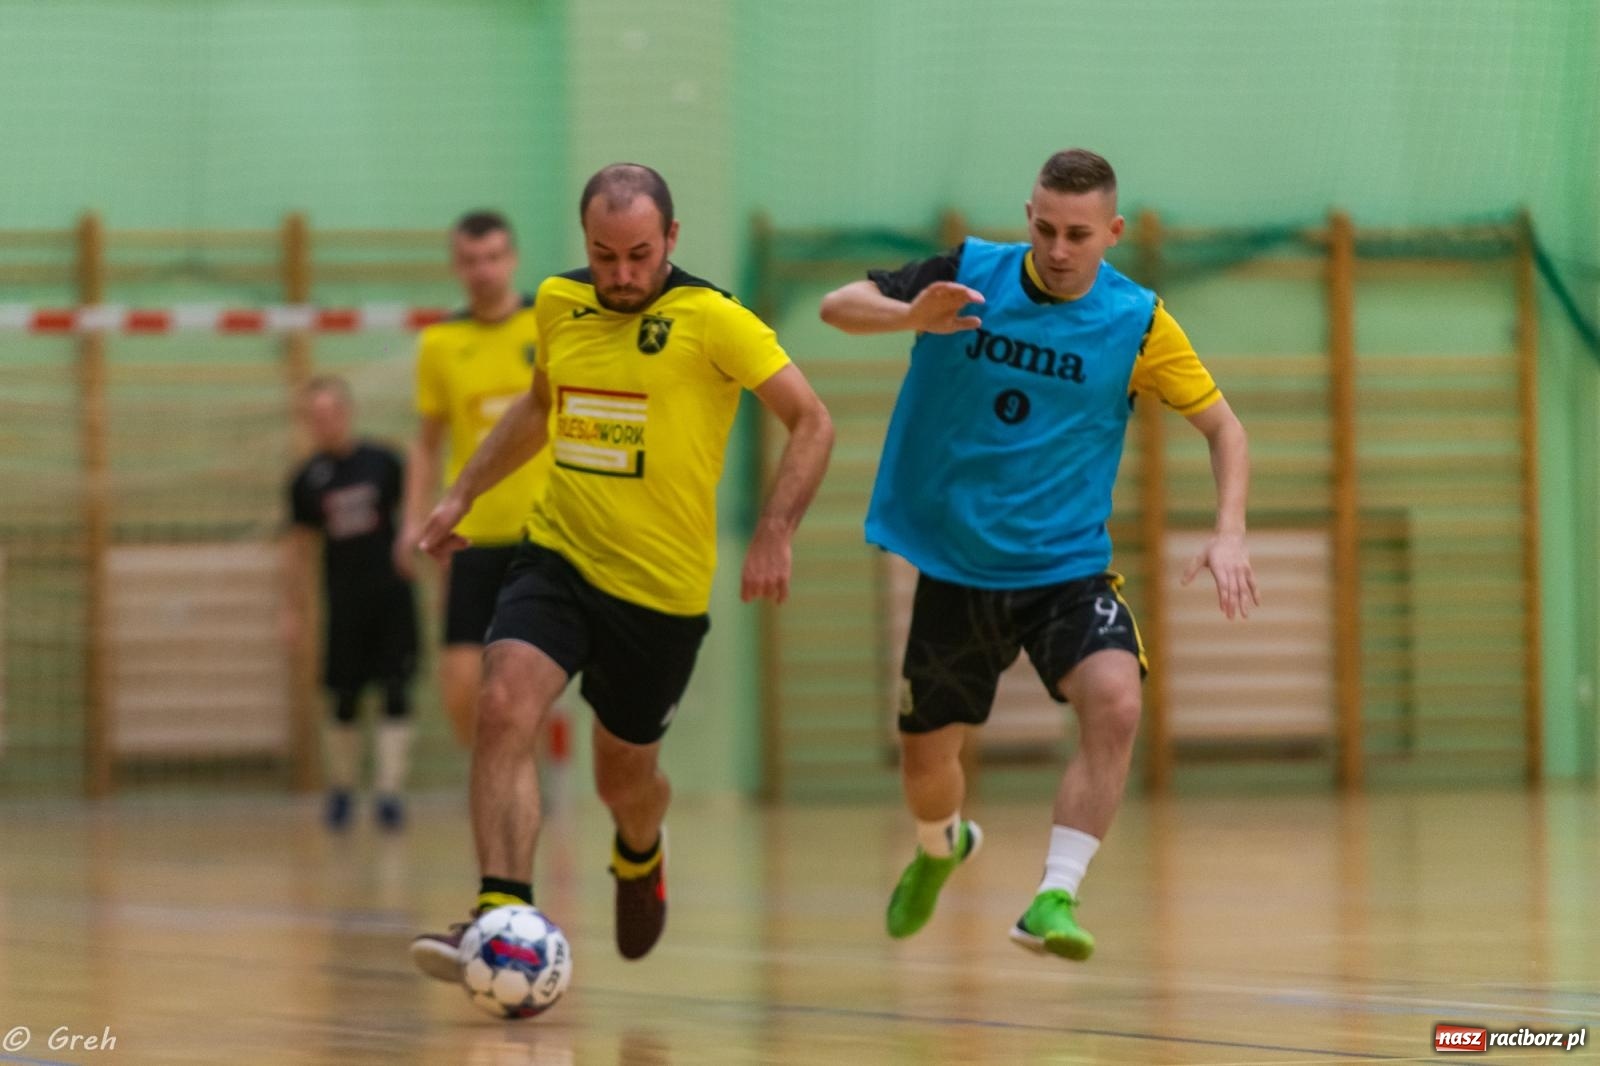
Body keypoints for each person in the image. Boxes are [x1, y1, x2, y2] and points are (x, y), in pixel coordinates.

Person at [818, 148, 1257, 960]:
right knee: (927, 769)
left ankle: (1053, 896)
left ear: (1112, 233)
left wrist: (1229, 530)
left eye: (1080, 235)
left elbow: (1225, 428)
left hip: (1066, 568)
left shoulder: (1140, 322)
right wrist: (910, 316)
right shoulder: (970, 273)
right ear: (1028, 216)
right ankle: (939, 844)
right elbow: (837, 305)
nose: (1059, 249)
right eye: (1046, 229)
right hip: (957, 568)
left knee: (1117, 703)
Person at [408, 163, 834, 977]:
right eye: (605, 256)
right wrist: (462, 490)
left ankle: (640, 851)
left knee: (623, 781)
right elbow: (542, 405)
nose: (623, 275)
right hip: (559, 554)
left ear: (671, 238)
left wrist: (776, 529)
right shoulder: (560, 304)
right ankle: (500, 916)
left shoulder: (716, 321)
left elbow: (812, 420)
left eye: (639, 254)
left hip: (658, 595)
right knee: (502, 703)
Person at [396, 210, 553, 749]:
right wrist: (410, 522)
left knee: (531, 682)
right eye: (470, 261)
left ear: (512, 260)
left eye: (493, 258)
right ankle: (495, 774)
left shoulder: (549, 322)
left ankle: (527, 784)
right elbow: (426, 441)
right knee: (461, 687)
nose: (483, 270)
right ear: (456, 266)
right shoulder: (440, 341)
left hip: (545, 533)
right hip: (471, 535)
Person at [283, 376, 419, 831]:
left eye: (332, 412)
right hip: (342, 602)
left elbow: (414, 513)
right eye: (315, 417)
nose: (326, 423)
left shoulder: (383, 462)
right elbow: (299, 549)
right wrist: (294, 609)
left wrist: (417, 547)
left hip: (393, 597)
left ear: (348, 412)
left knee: (396, 691)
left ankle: (389, 793)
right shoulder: (306, 479)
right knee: (343, 697)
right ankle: (342, 788)